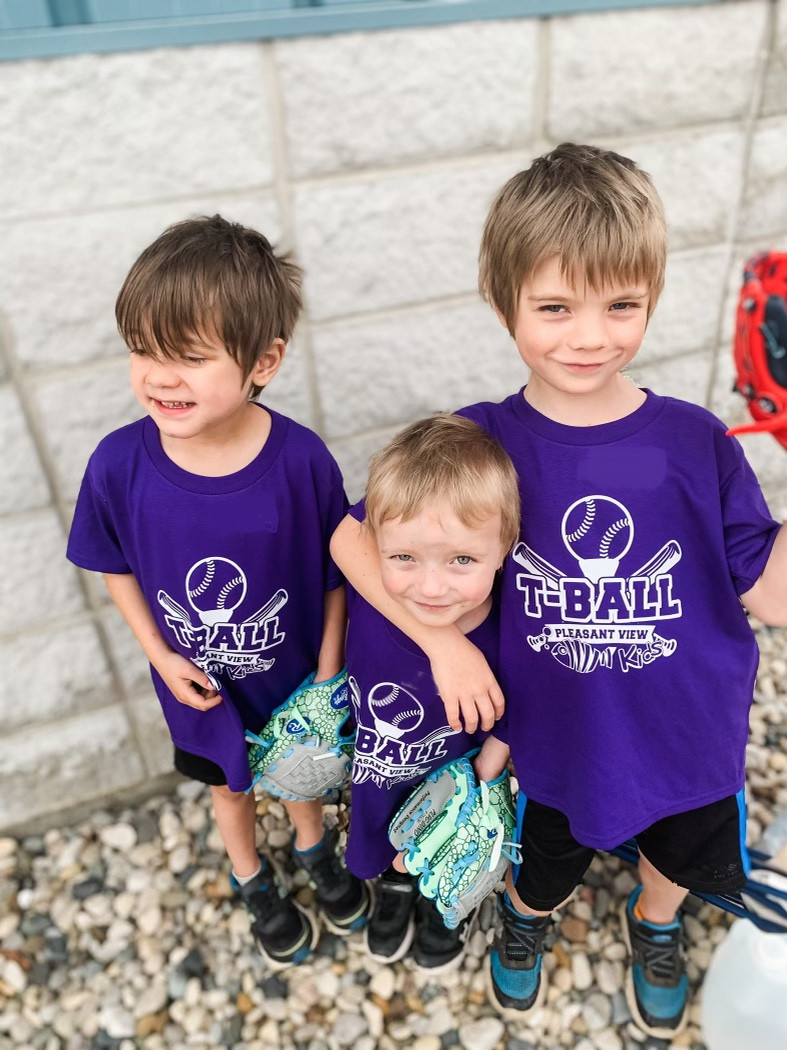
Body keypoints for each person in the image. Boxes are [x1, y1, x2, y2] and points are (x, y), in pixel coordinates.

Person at [331, 144, 787, 1036]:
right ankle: (526, 922)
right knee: (543, 858)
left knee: (683, 852)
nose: (589, 336)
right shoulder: (479, 445)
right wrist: (441, 641)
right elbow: (351, 539)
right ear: (503, 304)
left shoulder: (693, 442)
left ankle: (652, 923)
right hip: (551, 734)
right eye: (554, 307)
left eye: (621, 306)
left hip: (683, 729)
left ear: (651, 297)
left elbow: (768, 591)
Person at [67, 215, 370, 971]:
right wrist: (159, 657)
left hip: (295, 678)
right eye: (142, 350)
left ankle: (310, 849)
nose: (160, 377)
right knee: (228, 787)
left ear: (263, 360)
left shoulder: (299, 461)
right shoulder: (117, 467)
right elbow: (113, 564)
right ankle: (252, 879)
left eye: (190, 357)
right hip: (197, 686)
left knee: (298, 775)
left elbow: (339, 571)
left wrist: (329, 670)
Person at [343, 415, 515, 971]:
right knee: (389, 836)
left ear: (505, 547)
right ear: (377, 544)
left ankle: (446, 901)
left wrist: (482, 784)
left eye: (461, 560)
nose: (432, 586)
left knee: (447, 851)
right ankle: (396, 885)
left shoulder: (511, 627)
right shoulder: (373, 599)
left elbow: (525, 706)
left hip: (460, 780)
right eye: (405, 559)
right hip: (383, 765)